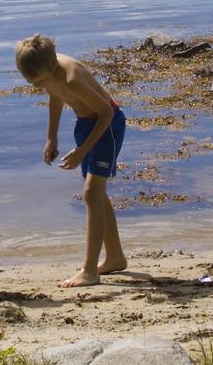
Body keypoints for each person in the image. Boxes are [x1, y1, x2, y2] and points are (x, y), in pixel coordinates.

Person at [15, 34, 128, 288]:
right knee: (97, 194)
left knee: (91, 193)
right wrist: (51, 137)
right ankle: (115, 257)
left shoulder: (72, 79)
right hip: (85, 125)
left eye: (38, 82)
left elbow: (107, 112)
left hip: (107, 126)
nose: (36, 87)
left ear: (51, 66)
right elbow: (54, 96)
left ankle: (89, 270)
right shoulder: (50, 72)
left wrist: (81, 151)